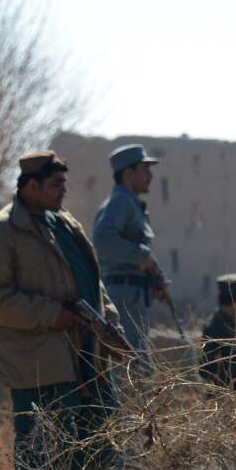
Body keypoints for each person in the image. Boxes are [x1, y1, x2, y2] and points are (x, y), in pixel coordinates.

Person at [0, 151, 123, 470]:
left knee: (99, 442)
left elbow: (92, 283)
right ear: (31, 186)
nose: (62, 193)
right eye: (56, 186)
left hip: (88, 356)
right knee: (42, 452)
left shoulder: (65, 224)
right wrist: (52, 314)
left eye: (64, 185)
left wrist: (110, 320)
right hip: (40, 363)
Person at [92, 143, 164, 354]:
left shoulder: (130, 204)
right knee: (132, 367)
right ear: (129, 173)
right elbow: (103, 239)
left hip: (133, 295)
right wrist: (142, 257)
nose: (150, 176)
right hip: (124, 297)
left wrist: (155, 276)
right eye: (145, 169)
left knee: (138, 365)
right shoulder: (120, 203)